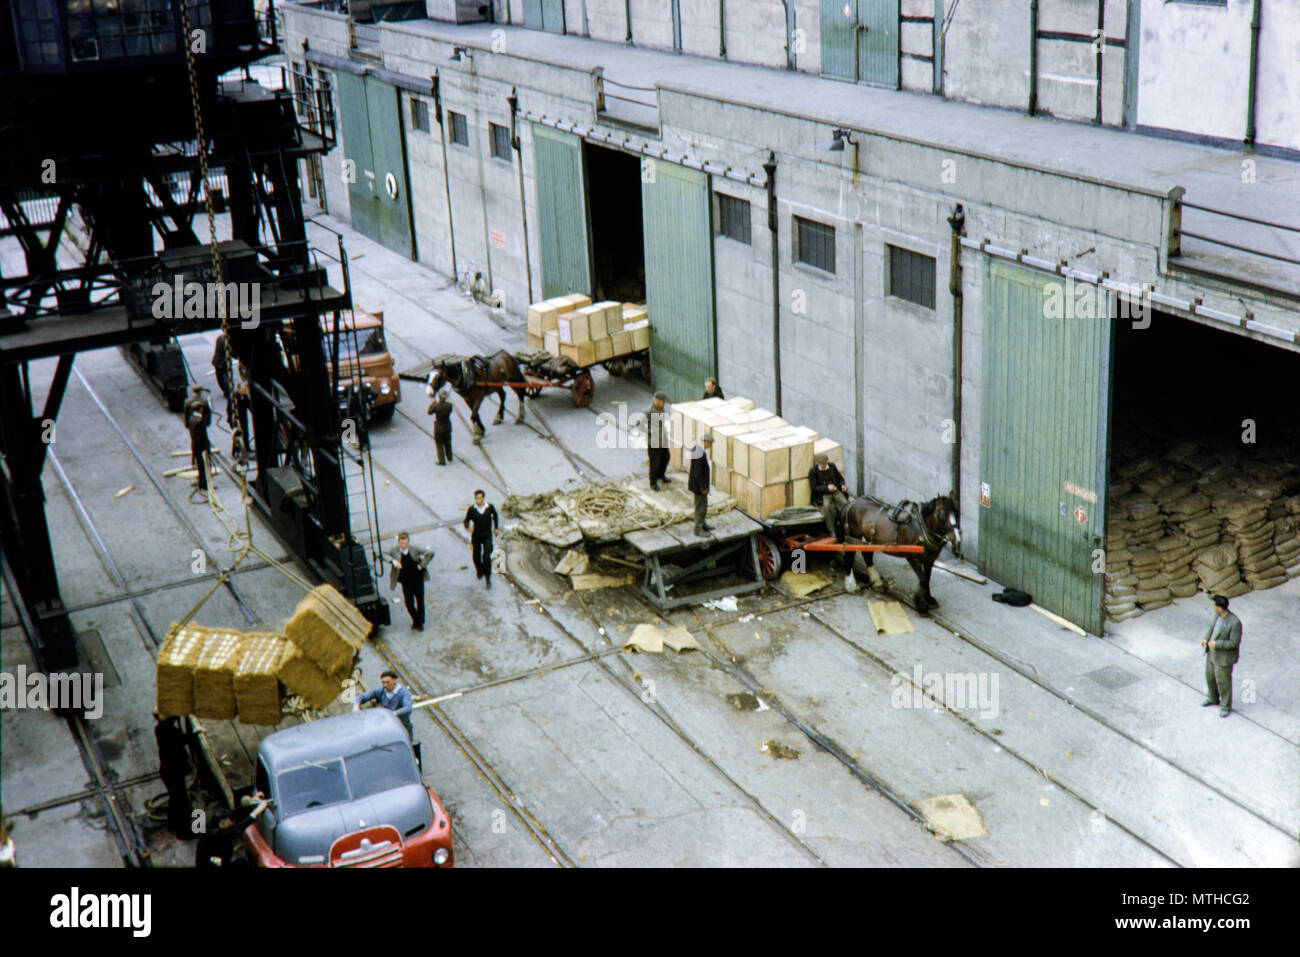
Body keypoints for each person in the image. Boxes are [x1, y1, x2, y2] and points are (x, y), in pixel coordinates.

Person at [154, 714, 196, 840]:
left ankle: (172, 822)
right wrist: (196, 733)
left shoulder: (159, 729)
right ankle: (183, 832)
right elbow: (183, 740)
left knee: (175, 798)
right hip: (174, 772)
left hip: (167, 771)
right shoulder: (172, 732)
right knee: (181, 802)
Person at [1201, 594, 1242, 718]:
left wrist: (1217, 644)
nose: (1212, 607)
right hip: (1212, 654)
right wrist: (1206, 638)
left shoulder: (1234, 623)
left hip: (1223, 657)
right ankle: (1213, 697)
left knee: (1223, 682)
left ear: (1219, 607)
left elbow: (1234, 643)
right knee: (1210, 677)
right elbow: (1211, 628)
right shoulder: (1217, 616)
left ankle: (1225, 706)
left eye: (1214, 605)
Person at [389, 531, 433, 631]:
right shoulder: (394, 550)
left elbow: (430, 553)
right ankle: (416, 620)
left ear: (408, 542)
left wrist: (422, 565)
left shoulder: (414, 549)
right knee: (409, 603)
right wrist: (393, 561)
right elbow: (383, 554)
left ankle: (419, 622)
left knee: (420, 601)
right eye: (401, 543)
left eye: (405, 543)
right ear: (398, 542)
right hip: (406, 581)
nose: (403, 545)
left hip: (417, 579)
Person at [354, 670, 415, 738]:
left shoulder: (404, 692)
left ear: (394, 680)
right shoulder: (381, 690)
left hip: (402, 726)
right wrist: (356, 705)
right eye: (383, 682)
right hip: (387, 725)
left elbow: (408, 708)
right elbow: (362, 696)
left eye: (387, 682)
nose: (385, 685)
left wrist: (392, 714)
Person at [809, 452, 850, 542]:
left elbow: (840, 479)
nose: (824, 465)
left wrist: (842, 485)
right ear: (817, 463)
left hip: (835, 491)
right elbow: (814, 488)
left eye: (825, 463)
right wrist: (827, 488)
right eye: (822, 464)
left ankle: (847, 525)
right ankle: (831, 529)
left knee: (845, 504)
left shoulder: (832, 466)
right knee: (827, 508)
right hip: (824, 494)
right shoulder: (813, 472)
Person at [464, 489, 499, 587]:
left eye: (479, 498)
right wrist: (467, 525)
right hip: (476, 536)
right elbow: (466, 520)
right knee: (476, 555)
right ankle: (479, 570)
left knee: (487, 557)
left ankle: (488, 577)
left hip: (487, 536)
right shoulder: (472, 509)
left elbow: (495, 515)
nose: (477, 500)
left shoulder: (489, 507)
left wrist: (496, 527)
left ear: (483, 498)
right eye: (476, 498)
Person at [185, 387, 212, 497]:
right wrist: (206, 447)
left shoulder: (192, 418)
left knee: (200, 465)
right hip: (201, 445)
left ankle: (201, 483)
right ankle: (205, 484)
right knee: (205, 464)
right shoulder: (200, 421)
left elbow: (187, 421)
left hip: (194, 445)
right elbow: (201, 436)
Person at [689, 433, 714, 536]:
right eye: (710, 444)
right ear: (706, 442)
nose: (710, 446)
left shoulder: (698, 450)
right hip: (699, 487)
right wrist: (703, 487)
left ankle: (702, 523)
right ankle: (698, 529)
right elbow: (698, 473)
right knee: (700, 508)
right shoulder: (698, 452)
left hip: (699, 485)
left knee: (703, 506)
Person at [646, 391, 671, 491]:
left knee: (666, 458)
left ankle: (661, 475)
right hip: (654, 441)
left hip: (663, 438)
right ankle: (653, 482)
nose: (664, 403)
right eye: (663, 401)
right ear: (657, 401)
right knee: (655, 462)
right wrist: (649, 431)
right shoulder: (649, 411)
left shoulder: (661, 409)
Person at [427, 389, 454, 465]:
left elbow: (429, 412)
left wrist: (432, 404)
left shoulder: (436, 406)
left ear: (439, 396)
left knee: (439, 444)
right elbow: (450, 411)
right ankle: (449, 457)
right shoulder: (449, 406)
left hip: (438, 428)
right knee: (448, 442)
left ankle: (441, 460)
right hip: (447, 427)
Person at [212, 333, 234, 425]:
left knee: (221, 378)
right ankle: (227, 391)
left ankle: (226, 390)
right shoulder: (224, 341)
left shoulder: (220, 338)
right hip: (222, 363)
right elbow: (230, 352)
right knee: (224, 378)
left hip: (218, 361)